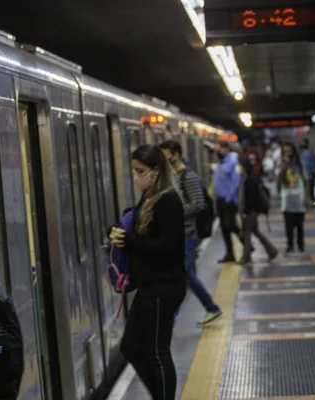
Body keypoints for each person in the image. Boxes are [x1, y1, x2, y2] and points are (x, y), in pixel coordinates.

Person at [108, 145, 186, 400]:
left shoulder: (168, 200)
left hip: (164, 285)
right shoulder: (149, 196)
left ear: (156, 171)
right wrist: (117, 232)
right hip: (149, 285)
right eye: (134, 170)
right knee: (131, 347)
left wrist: (130, 241)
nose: (136, 176)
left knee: (157, 352)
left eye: (140, 170)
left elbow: (169, 248)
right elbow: (141, 233)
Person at [159, 140, 222, 327]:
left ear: (175, 154)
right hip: (178, 234)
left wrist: (173, 211)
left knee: (184, 275)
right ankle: (207, 308)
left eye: (165, 154)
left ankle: (209, 308)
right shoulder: (172, 176)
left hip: (186, 234)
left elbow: (198, 204)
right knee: (185, 274)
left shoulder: (188, 176)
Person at [237, 156, 278, 265]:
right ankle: (272, 251)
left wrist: (245, 212)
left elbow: (250, 199)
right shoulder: (249, 177)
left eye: (239, 165)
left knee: (246, 233)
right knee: (255, 232)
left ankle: (246, 258)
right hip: (254, 210)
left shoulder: (249, 180)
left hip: (251, 211)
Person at [213, 141, 241, 263]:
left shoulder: (233, 162)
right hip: (220, 199)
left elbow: (235, 183)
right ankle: (230, 253)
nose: (217, 152)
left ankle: (246, 242)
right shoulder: (220, 163)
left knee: (229, 225)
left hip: (229, 201)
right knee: (224, 228)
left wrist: (229, 199)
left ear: (226, 149)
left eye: (219, 149)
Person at [279, 143, 309, 253]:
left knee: (300, 225)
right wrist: (283, 165)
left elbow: (306, 181)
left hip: (299, 200)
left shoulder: (300, 165)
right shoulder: (282, 165)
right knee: (288, 225)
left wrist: (306, 197)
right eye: (286, 152)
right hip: (287, 200)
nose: (288, 154)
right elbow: (280, 179)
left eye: (290, 151)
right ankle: (290, 245)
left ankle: (301, 244)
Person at [300, 138, 315, 202]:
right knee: (305, 186)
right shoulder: (301, 151)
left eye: (304, 143)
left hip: (312, 171)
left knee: (312, 186)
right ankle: (306, 198)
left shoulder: (311, 151)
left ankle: (313, 198)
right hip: (305, 172)